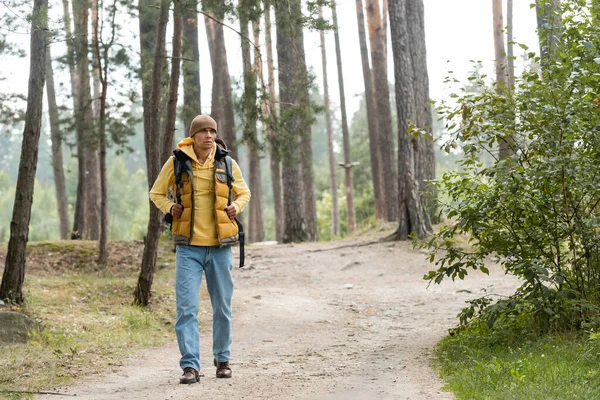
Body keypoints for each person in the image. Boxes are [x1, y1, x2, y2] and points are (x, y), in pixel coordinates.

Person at [150, 115, 251, 384]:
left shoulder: (227, 162)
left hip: (220, 248)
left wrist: (236, 207)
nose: (209, 135)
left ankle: (222, 360)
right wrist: (170, 208)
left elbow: (244, 193)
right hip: (188, 249)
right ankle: (190, 366)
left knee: (222, 307)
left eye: (212, 131)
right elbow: (156, 193)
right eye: (203, 131)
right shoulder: (177, 163)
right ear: (193, 136)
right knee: (186, 309)